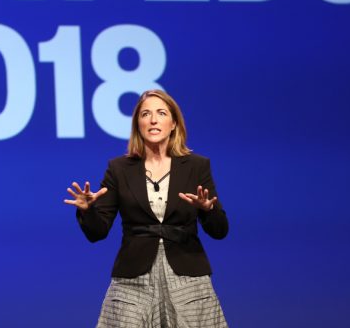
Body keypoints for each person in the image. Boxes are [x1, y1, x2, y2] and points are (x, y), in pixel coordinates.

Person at [64, 89, 229, 327]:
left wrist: (206, 209)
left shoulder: (196, 166)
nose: (153, 119)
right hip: (134, 280)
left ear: (173, 123)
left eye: (161, 113)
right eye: (145, 114)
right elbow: (97, 233)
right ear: (138, 124)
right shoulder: (119, 169)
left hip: (187, 279)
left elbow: (220, 230)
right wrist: (88, 210)